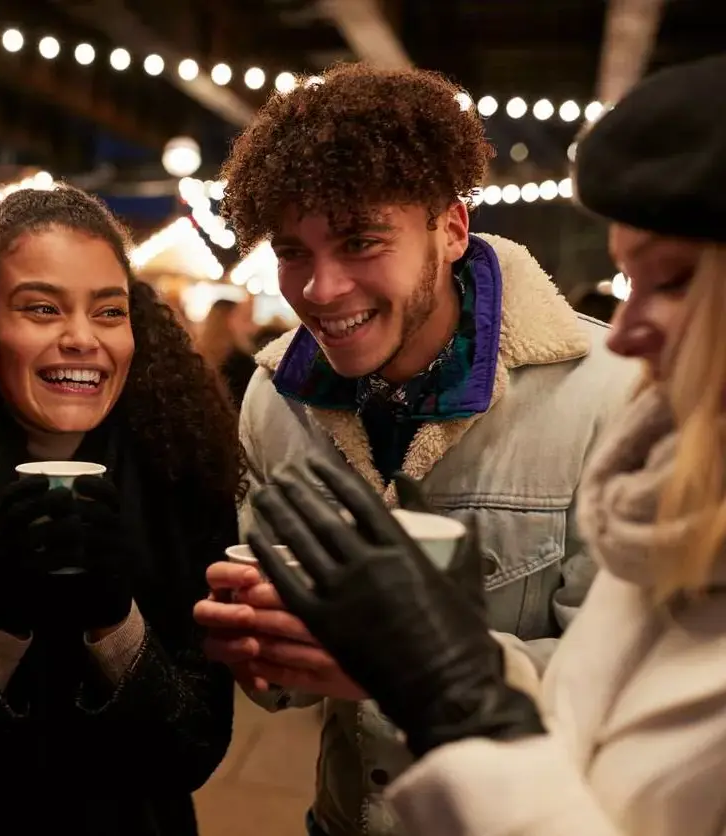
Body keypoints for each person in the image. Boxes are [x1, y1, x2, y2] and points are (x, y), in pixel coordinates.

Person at [245, 51, 726, 836]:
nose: (321, 289)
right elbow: (595, 693)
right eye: (292, 252)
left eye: (362, 241)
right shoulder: (274, 399)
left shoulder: (609, 395)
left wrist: (447, 679)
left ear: (451, 230)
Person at [0, 185, 239, 835]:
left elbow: (197, 745)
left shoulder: (181, 471)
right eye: (41, 309)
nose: (80, 339)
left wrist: (115, 624)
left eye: (108, 311)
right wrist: (2, 626)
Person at [196, 297, 259, 409]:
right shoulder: (241, 363)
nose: (253, 326)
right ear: (228, 320)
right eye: (245, 318)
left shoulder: (197, 354)